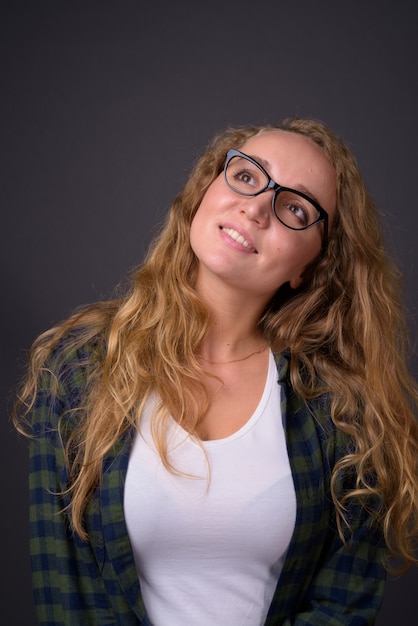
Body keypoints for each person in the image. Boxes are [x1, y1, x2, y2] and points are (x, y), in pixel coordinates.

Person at [14, 117, 418, 625]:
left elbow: (341, 607)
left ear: (311, 265)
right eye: (247, 176)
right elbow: (65, 595)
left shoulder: (343, 414)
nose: (256, 207)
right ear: (205, 192)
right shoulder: (81, 368)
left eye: (295, 207)